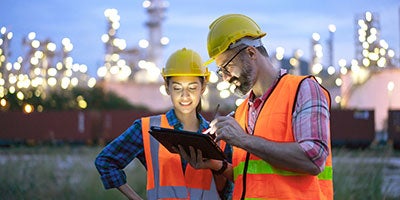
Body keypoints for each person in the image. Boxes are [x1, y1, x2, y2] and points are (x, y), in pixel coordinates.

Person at [178, 14, 333, 199]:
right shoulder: (243, 111)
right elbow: (252, 177)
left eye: (227, 67)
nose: (226, 78)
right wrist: (217, 165)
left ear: (251, 53)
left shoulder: (303, 89)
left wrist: (242, 139)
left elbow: (313, 159)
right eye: (221, 72)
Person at [94, 48, 233, 200]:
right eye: (177, 88)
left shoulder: (219, 136)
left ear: (203, 88)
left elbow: (233, 186)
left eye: (192, 87)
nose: (184, 95)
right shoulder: (147, 128)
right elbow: (106, 162)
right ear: (167, 88)